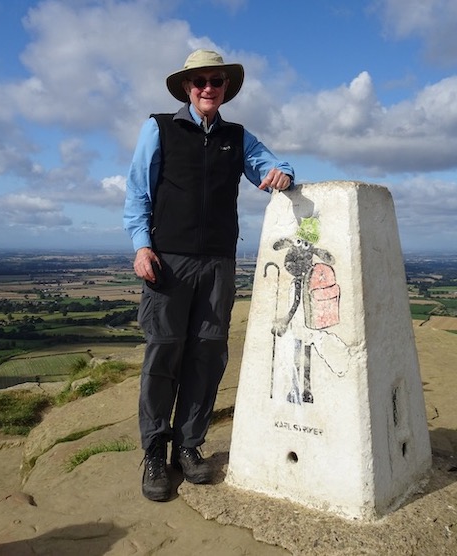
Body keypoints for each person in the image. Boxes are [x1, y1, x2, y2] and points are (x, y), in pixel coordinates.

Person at [124, 49, 295, 502]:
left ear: (224, 88)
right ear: (186, 87)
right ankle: (155, 452)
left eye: (215, 81)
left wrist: (280, 174)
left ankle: (190, 445)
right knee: (164, 353)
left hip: (218, 263)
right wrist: (142, 245)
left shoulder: (237, 137)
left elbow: (273, 165)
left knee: (206, 354)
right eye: (198, 81)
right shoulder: (159, 127)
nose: (207, 88)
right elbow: (137, 190)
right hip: (168, 261)